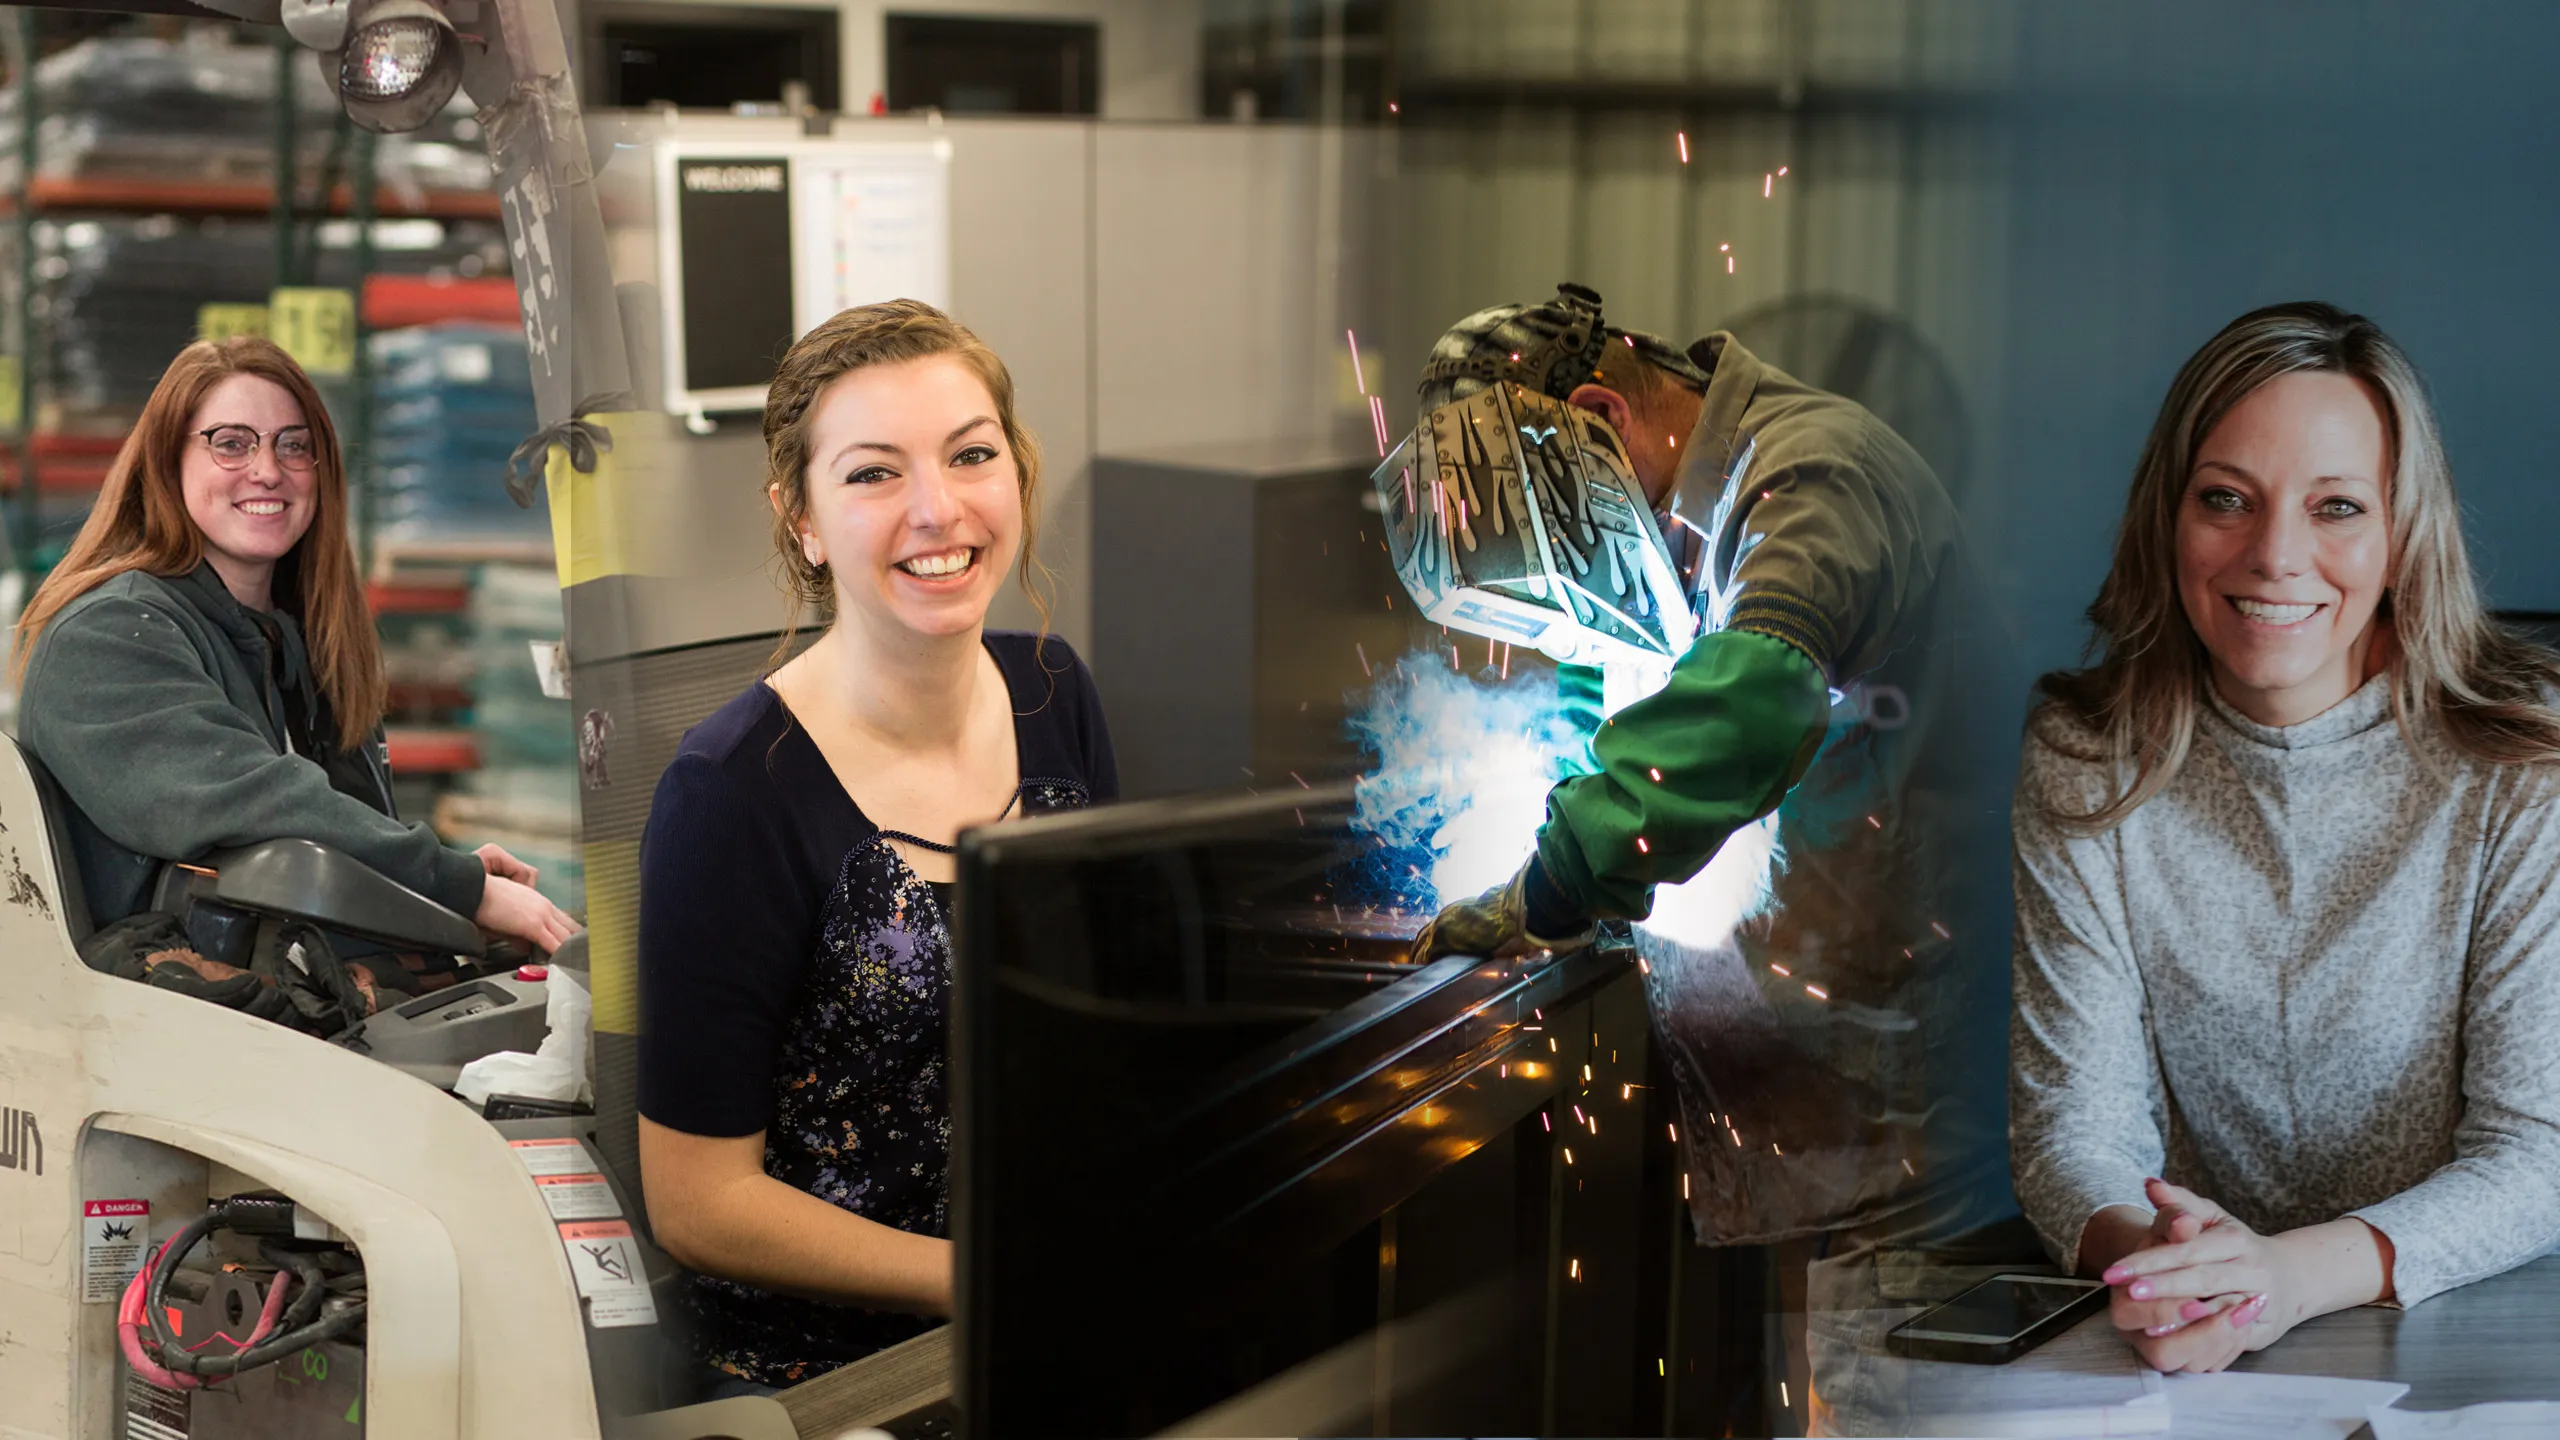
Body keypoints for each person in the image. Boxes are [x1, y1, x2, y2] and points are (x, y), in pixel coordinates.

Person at [1398, 284, 2020, 1431]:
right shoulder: (1679, 509)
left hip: (1907, 1127)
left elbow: (1745, 703)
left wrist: (1552, 886)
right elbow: (1625, 670)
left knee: (1887, 1412)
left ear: (1599, 413)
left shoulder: (1808, 482)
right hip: (1812, 1100)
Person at [2012, 302, 2560, 1374]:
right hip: (2199, 1342)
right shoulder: (2086, 754)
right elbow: (2071, 1125)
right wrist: (2159, 1270)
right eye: (2226, 499)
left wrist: (2287, 1277)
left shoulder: (2525, 760)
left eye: (2336, 507)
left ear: (2402, 535)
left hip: (2478, 1340)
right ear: (2166, 516)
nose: (2273, 555)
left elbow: (2538, 1154)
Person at [635, 300, 1117, 1394]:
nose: (938, 509)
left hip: (1041, 1312)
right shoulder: (729, 796)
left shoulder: (1055, 691)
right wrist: (984, 1278)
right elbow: (699, 1204)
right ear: (798, 520)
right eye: (872, 474)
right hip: (831, 1378)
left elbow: (1094, 1019)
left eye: (971, 455)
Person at [14, 337, 578, 1014]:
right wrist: (459, 886)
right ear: (169, 462)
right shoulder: (107, 638)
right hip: (150, 1045)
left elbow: (333, 833)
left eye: (293, 445)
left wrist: (426, 884)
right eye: (231, 443)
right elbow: (257, 799)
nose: (267, 470)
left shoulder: (300, 643)